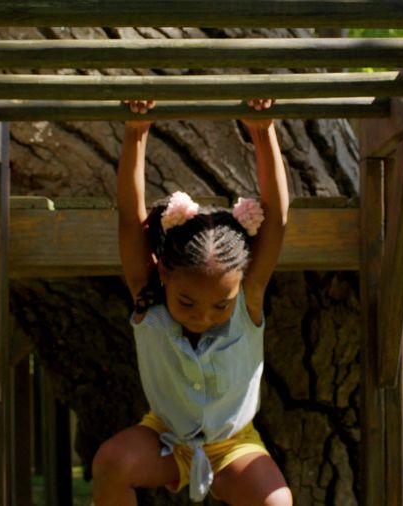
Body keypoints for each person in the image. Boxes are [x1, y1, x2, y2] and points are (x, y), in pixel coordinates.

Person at [92, 99, 292, 505]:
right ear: (164, 274)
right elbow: (130, 219)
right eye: (186, 303)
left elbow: (276, 220)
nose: (203, 316)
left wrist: (263, 131)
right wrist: (136, 133)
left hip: (233, 443)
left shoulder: (248, 298)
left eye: (220, 306)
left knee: (277, 501)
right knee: (111, 462)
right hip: (165, 437)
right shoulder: (147, 297)